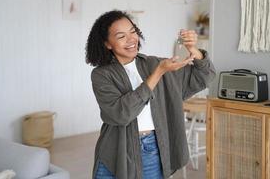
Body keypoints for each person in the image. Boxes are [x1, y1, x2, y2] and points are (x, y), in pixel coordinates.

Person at [85, 10, 215, 179]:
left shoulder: (154, 63)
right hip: (115, 150)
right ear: (107, 44)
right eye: (121, 36)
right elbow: (121, 114)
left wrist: (193, 49)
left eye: (133, 32)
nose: (131, 39)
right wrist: (158, 72)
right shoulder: (102, 75)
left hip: (151, 148)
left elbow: (205, 76)